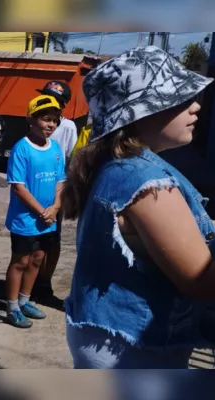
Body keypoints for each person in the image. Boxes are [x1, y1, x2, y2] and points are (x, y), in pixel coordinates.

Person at [63, 46, 215, 368]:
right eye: (181, 99)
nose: (196, 107)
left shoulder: (116, 164)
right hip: (136, 356)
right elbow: (202, 281)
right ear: (142, 112)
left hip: (110, 342)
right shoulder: (144, 179)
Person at [4, 95, 65, 329]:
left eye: (55, 120)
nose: (50, 125)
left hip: (47, 219)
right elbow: (19, 187)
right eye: (46, 119)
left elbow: (61, 181)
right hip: (25, 219)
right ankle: (11, 307)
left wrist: (56, 207)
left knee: (38, 259)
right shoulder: (22, 149)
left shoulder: (56, 148)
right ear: (30, 119)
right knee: (21, 261)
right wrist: (42, 211)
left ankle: (25, 300)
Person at [32, 81, 76, 303]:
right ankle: (30, 280)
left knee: (52, 238)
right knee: (33, 237)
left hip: (55, 191)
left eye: (55, 100)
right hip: (34, 190)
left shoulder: (67, 127)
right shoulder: (36, 120)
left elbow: (67, 161)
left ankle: (44, 281)